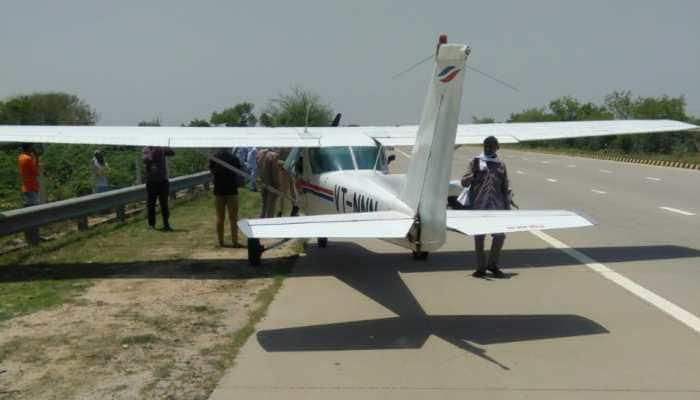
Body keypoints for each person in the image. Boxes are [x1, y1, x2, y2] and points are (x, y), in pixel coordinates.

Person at [461, 136, 512, 278]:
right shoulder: (475, 162)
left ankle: (493, 265)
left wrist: (507, 206)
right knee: (479, 237)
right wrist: (473, 175)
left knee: (499, 236)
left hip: (498, 207)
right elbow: (464, 183)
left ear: (497, 147)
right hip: (479, 205)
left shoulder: (501, 164)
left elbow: (505, 186)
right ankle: (481, 268)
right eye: (486, 146)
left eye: (491, 146)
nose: (488, 149)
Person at [209, 148, 243, 247]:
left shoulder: (214, 157)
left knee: (220, 217)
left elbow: (211, 171)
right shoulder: (234, 158)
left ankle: (221, 241)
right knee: (233, 218)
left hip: (219, 190)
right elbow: (238, 172)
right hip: (232, 190)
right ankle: (235, 241)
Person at [143, 146, 175, 231]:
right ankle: (151, 225)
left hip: (163, 180)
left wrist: (163, 147)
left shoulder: (161, 148)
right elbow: (146, 160)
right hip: (152, 181)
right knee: (151, 205)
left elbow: (172, 152)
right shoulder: (147, 148)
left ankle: (166, 224)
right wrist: (155, 151)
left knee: (164, 204)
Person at [18, 143, 41, 243]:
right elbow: (36, 172)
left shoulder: (21, 157)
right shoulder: (27, 158)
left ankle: (32, 237)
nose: (33, 149)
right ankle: (34, 238)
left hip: (26, 187)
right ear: (29, 148)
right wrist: (36, 157)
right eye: (32, 147)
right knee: (34, 214)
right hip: (31, 187)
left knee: (30, 213)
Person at [256, 148, 281, 218]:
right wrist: (277, 185)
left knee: (264, 205)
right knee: (271, 208)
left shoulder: (259, 153)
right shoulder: (273, 155)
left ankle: (261, 222)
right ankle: (268, 224)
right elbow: (274, 173)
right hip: (271, 184)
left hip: (262, 181)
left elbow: (258, 167)